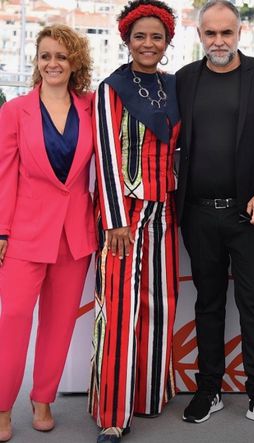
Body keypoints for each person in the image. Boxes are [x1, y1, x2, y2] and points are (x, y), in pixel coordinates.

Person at [175, 0, 254, 432]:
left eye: (226, 33)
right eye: (211, 33)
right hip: (198, 214)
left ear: (240, 33)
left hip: (250, 215)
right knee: (207, 303)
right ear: (200, 35)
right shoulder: (185, 80)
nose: (219, 41)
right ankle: (209, 390)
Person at [87, 1, 180, 442]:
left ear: (167, 42)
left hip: (165, 210)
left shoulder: (173, 85)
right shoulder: (111, 88)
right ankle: (113, 413)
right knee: (121, 309)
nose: (148, 43)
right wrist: (115, 221)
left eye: (156, 36)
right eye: (140, 36)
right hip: (124, 212)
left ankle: (146, 395)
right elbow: (106, 154)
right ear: (127, 40)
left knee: (159, 304)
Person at [0, 24, 95, 442]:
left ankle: (43, 399)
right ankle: (3, 408)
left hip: (75, 235)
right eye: (45, 56)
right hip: (24, 234)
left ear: (74, 62)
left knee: (58, 324)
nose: (52, 63)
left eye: (61, 56)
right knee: (14, 320)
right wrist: (0, 231)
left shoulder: (92, 108)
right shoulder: (13, 111)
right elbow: (4, 176)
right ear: (36, 62)